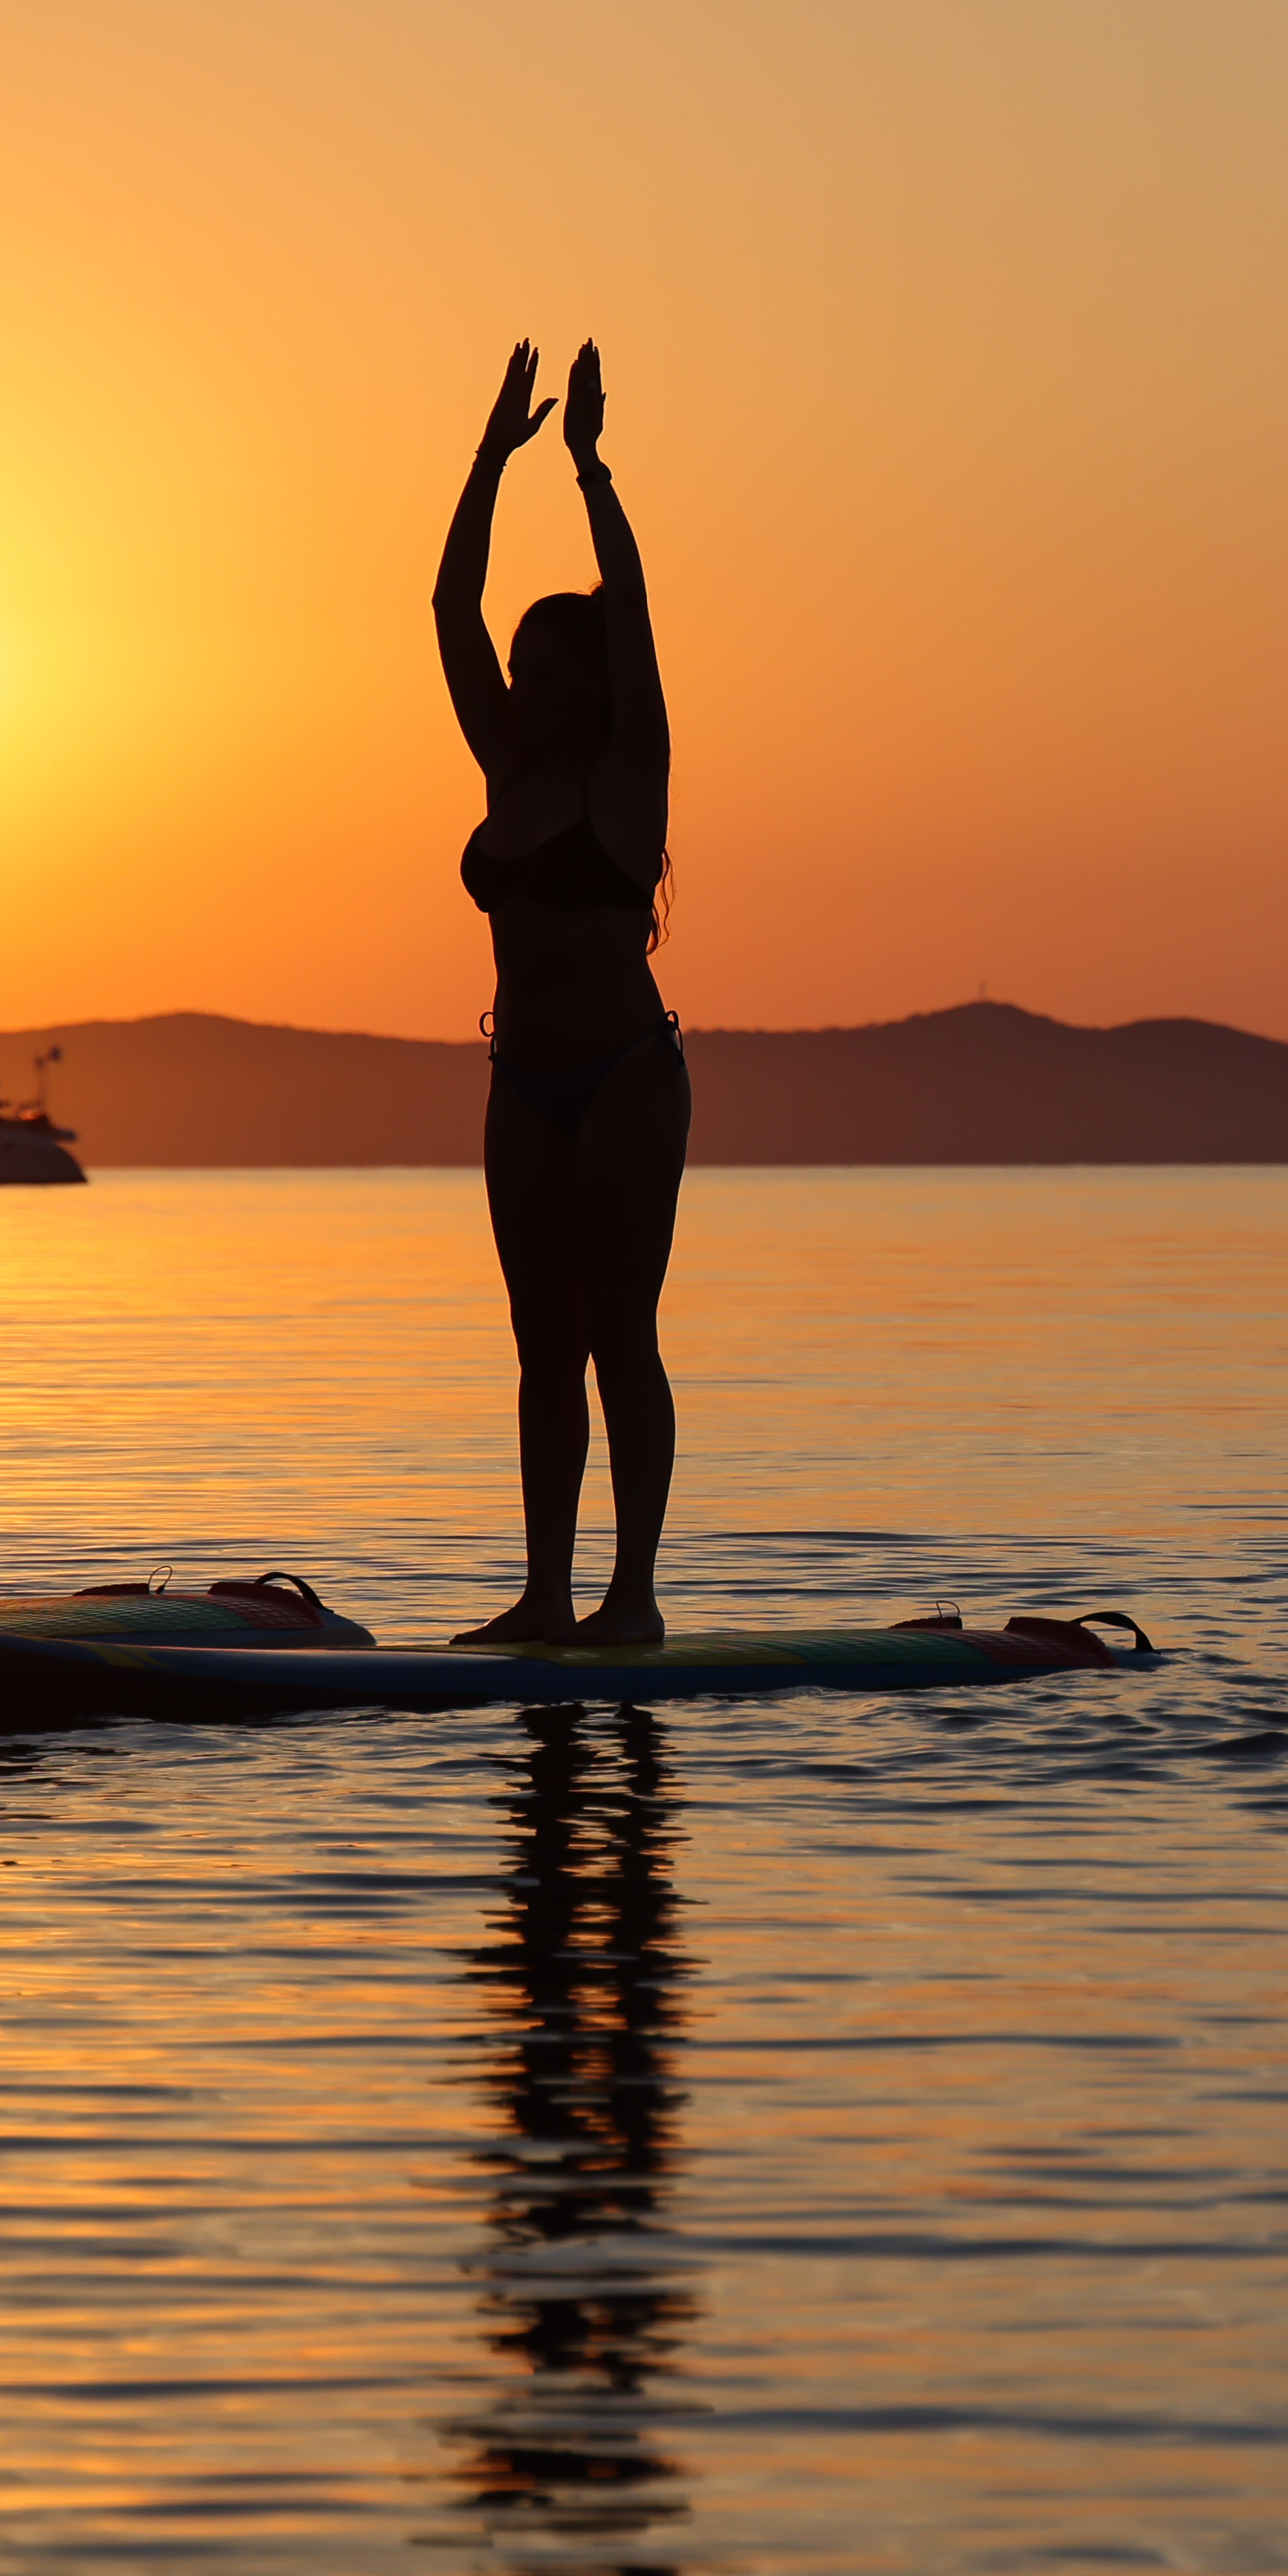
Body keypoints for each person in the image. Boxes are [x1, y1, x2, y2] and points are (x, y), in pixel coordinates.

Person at [433, 340, 685, 1647]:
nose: (519, 684)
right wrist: (490, 457)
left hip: (627, 1081)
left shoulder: (625, 771)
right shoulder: (506, 768)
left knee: (618, 1336)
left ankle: (628, 1596)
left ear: (590, 685)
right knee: (543, 1350)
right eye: (517, 670)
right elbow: (446, 606)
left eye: (545, 669)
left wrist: (588, 468)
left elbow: (631, 608)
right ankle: (542, 1593)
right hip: (521, 1085)